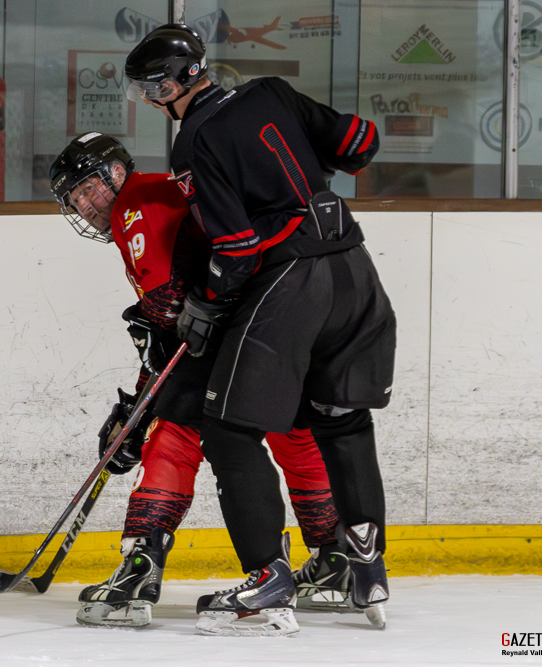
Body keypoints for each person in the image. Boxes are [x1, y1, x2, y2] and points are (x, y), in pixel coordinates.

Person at [125, 25, 395, 636]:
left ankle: (269, 580)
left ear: (169, 86)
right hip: (355, 271)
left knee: (227, 426)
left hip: (294, 282)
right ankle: (367, 568)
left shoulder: (194, 141)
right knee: (341, 419)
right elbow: (360, 143)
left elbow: (237, 248)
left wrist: (205, 305)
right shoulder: (272, 91)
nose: (150, 100)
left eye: (151, 88)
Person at [48, 133, 351, 632]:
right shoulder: (161, 192)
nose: (84, 205)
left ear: (117, 173)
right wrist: (140, 397)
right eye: (74, 199)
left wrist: (143, 405)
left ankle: (140, 567)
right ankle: (336, 559)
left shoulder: (138, 203)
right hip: (279, 320)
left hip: (232, 330)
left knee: (174, 435)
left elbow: (168, 305)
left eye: (87, 189)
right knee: (293, 434)